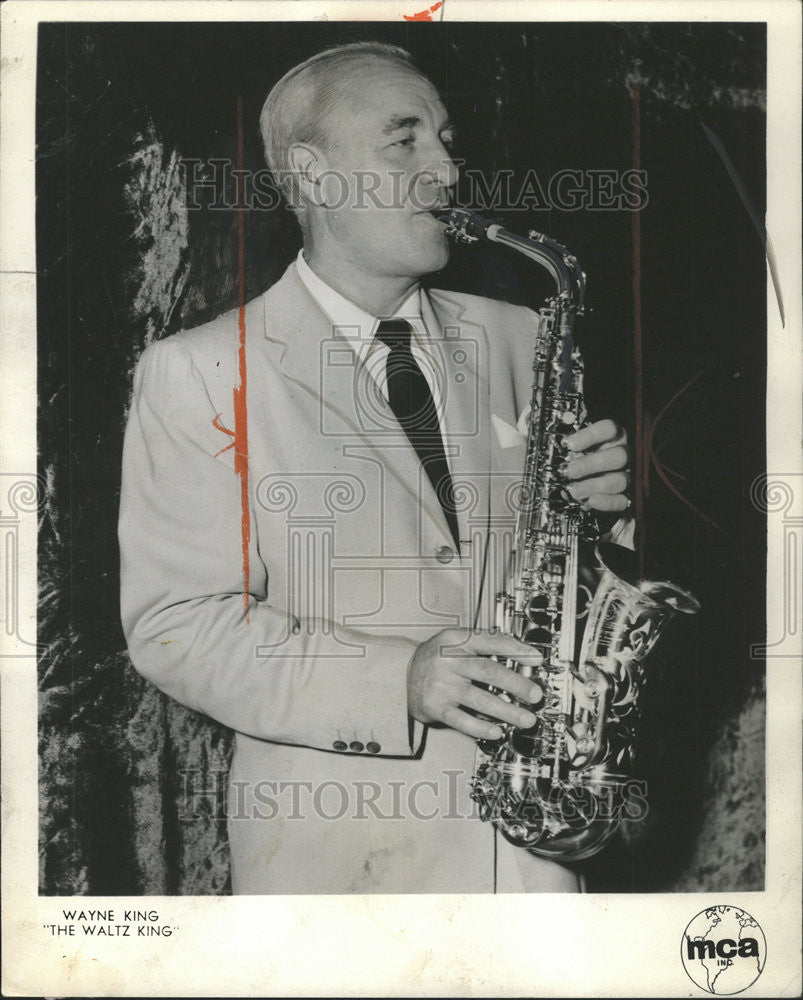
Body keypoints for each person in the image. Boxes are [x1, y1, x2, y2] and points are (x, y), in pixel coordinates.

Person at [119, 41, 630, 894]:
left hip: (530, 857)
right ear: (313, 175)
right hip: (337, 865)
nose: (446, 169)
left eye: (445, 138)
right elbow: (179, 627)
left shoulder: (521, 335)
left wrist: (602, 514)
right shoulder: (198, 371)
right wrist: (401, 679)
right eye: (406, 141)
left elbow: (566, 581)